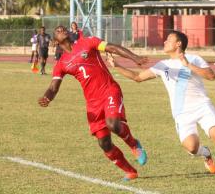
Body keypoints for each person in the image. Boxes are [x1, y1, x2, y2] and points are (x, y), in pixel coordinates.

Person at [107, 30, 215, 186]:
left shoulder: (194, 58)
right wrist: (116, 65)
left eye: (168, 39)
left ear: (178, 43)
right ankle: (206, 153)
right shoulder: (162, 65)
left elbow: (211, 76)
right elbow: (137, 77)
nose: (165, 42)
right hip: (182, 114)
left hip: (202, 106)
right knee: (192, 147)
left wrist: (188, 65)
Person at [38, 26, 148, 181]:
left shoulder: (88, 42)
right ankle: (130, 171)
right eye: (57, 30)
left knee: (113, 124)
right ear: (56, 41)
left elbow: (112, 47)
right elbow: (53, 87)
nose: (61, 28)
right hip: (93, 104)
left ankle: (134, 144)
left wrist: (134, 57)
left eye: (63, 28)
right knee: (104, 143)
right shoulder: (62, 63)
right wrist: (47, 97)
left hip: (109, 90)